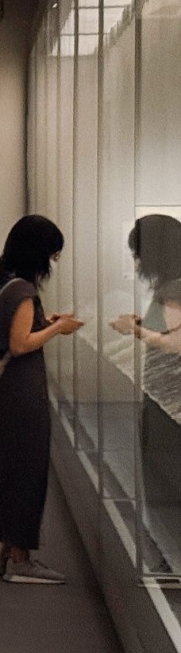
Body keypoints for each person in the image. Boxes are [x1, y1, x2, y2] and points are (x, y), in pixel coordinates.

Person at [0, 214, 83, 584]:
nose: (53, 262)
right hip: (21, 394)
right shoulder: (24, 291)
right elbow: (21, 343)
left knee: (9, 470)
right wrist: (58, 328)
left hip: (1, 393)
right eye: (52, 254)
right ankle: (21, 559)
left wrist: (45, 323)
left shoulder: (1, 284)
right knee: (27, 471)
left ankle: (8, 548)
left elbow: (12, 332)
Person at [112, 215, 181, 528]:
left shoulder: (175, 287)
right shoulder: (172, 285)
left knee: (164, 481)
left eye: (137, 253)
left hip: (170, 399)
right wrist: (140, 325)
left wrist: (134, 330)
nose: (136, 261)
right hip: (165, 396)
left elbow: (174, 343)